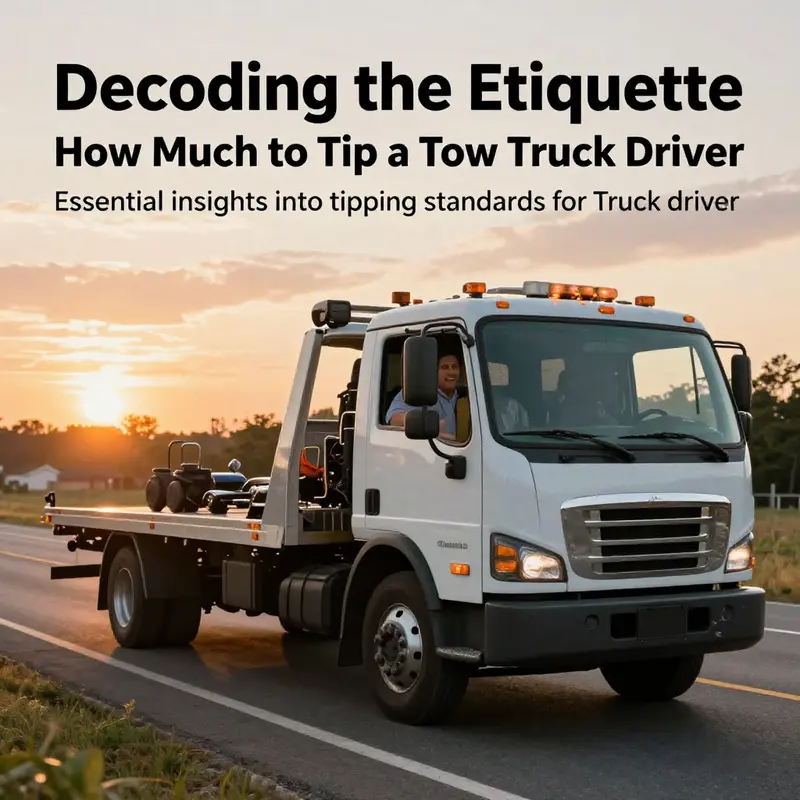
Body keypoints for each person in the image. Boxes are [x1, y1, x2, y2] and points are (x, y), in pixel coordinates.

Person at [385, 349, 462, 440]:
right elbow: (394, 418)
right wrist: (426, 423)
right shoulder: (417, 391)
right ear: (432, 372)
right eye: (445, 367)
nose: (451, 372)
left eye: (455, 367)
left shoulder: (467, 396)